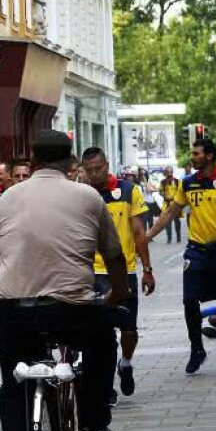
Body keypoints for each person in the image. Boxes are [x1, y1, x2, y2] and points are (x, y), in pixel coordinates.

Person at [0, 130, 129, 431]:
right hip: (70, 309)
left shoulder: (7, 197)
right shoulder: (88, 197)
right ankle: (92, 423)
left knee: (12, 379)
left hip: (14, 308)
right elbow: (114, 256)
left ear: (33, 162)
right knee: (103, 344)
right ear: (71, 163)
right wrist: (117, 292)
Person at [147, 138, 216, 374]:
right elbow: (170, 213)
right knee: (189, 300)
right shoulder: (187, 183)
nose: (192, 157)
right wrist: (147, 236)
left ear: (209, 156)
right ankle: (197, 350)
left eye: (196, 154)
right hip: (196, 251)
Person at [80, 148, 156, 403]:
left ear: (107, 165)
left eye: (98, 168)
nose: (94, 174)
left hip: (124, 271)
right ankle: (106, 386)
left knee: (128, 329)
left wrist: (147, 270)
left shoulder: (127, 190)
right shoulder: (81, 195)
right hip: (93, 272)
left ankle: (125, 363)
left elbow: (139, 233)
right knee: (101, 332)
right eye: (89, 170)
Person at [158, 167, 182, 243]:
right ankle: (169, 238)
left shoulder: (177, 181)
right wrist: (164, 195)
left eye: (170, 172)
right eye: (167, 172)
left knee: (177, 221)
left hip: (175, 203)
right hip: (167, 204)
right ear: (165, 173)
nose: (169, 174)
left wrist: (175, 197)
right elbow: (160, 191)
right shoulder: (163, 182)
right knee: (167, 221)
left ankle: (178, 237)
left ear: (172, 172)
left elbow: (180, 191)